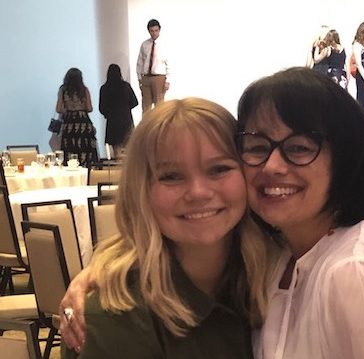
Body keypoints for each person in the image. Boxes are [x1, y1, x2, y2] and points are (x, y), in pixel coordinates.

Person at [60, 68, 364, 358]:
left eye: (300, 147)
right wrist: (102, 270)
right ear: (140, 191)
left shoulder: (346, 272)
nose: (272, 166)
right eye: (170, 176)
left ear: (346, 157)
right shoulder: (273, 264)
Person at [60, 98, 274, 358]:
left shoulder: (274, 275)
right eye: (171, 176)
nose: (198, 192)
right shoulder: (113, 319)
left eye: (219, 169)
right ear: (140, 192)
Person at [56, 67, 99, 166]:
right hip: (83, 122)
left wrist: (68, 109)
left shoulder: (63, 90)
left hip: (69, 123)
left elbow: (58, 109)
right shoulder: (84, 90)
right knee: (84, 148)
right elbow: (89, 108)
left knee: (70, 148)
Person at [99, 64, 138, 158]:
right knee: (129, 152)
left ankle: (116, 171)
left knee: (117, 152)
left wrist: (108, 114)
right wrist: (125, 109)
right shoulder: (126, 86)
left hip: (112, 122)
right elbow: (135, 102)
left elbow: (102, 108)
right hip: (126, 120)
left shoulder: (104, 88)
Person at [137, 19, 171, 112]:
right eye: (152, 31)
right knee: (145, 107)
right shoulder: (145, 44)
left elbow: (169, 64)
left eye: (156, 30)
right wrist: (139, 78)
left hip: (159, 77)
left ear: (159, 30)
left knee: (159, 106)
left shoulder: (165, 44)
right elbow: (140, 62)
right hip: (146, 77)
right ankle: (147, 126)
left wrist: (168, 81)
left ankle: (159, 126)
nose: (154, 33)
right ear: (148, 31)